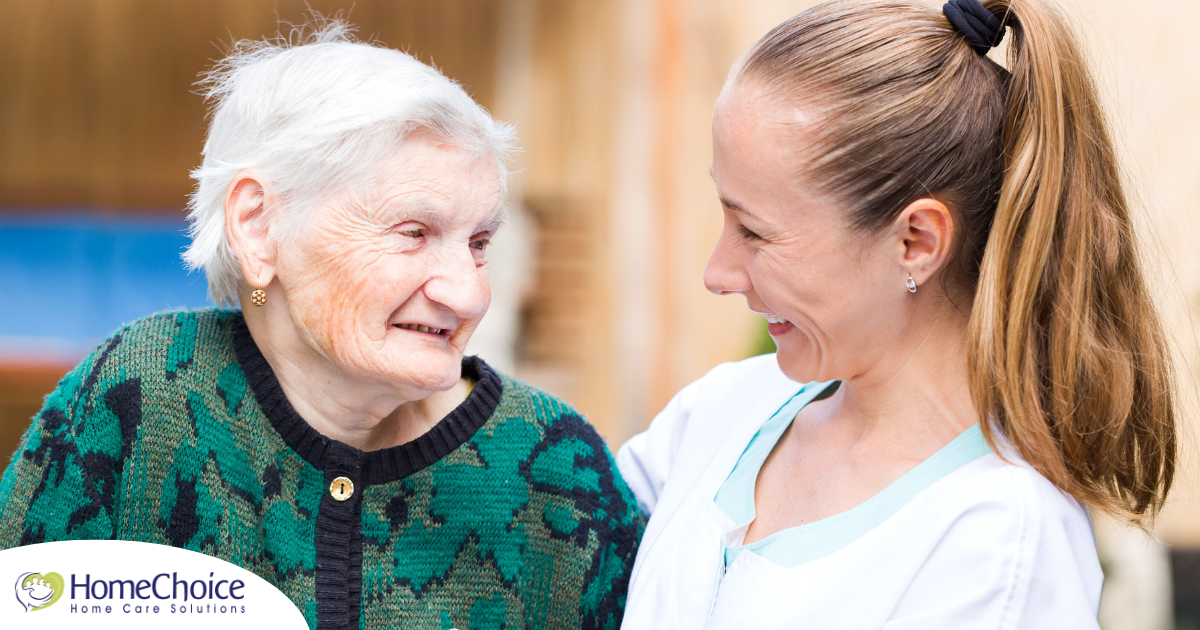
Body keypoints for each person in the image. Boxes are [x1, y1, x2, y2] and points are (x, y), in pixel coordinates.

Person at [0, 22, 641, 630]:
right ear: (259, 226)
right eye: (413, 233)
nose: (470, 294)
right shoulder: (143, 395)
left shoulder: (557, 471)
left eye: (478, 243)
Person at [616, 0, 1177, 627]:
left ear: (916, 242)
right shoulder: (722, 411)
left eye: (754, 232)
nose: (716, 274)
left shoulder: (996, 543)